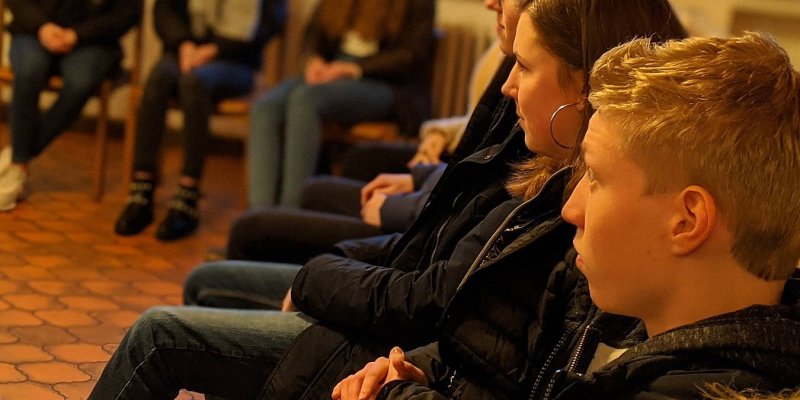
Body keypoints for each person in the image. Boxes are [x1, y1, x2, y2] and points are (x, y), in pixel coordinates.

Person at [89, 0, 530, 396]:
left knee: (302, 110)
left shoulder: (529, 173)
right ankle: (265, 213)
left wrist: (318, 278)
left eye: (526, 69)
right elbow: (435, 227)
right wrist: (321, 62)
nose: (490, 3)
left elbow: (430, 283)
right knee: (271, 108)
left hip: (380, 90)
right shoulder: (515, 124)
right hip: (392, 274)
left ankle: (267, 223)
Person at [335, 32, 800, 400]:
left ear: (686, 220)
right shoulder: (617, 310)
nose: (570, 209)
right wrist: (421, 380)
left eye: (595, 177)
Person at [216, 40, 505, 265]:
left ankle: (274, 230)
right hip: (431, 187)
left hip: (380, 83)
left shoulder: (510, 75)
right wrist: (316, 60)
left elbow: (462, 194)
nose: (490, 3)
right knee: (272, 118)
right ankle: (269, 221)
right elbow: (472, 146)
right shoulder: (503, 61)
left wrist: (395, 205)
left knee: (248, 229)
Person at [113, 0, 286, 241]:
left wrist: (214, 50)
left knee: (194, 83)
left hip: (237, 60)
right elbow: (165, 10)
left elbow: (269, 24)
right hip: (184, 50)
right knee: (157, 82)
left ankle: (188, 193)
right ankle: (142, 188)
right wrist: (184, 44)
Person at [247, 0, 436, 209]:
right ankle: (260, 212)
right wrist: (313, 60)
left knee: (305, 99)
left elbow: (410, 56)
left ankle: (289, 211)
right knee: (265, 107)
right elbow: (313, 34)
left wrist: (352, 69)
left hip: (386, 83)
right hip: (332, 74)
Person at [0, 0, 142, 211]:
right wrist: (42, 26)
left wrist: (78, 34)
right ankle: (19, 162)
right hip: (34, 31)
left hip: (95, 42)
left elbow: (126, 14)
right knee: (29, 71)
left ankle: (18, 159)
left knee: (80, 83)